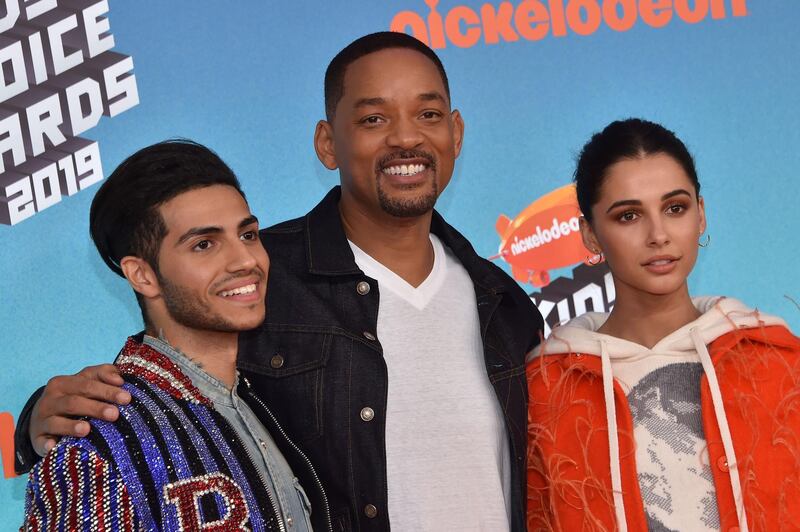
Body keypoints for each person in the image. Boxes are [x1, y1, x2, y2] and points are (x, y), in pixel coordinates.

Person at [15, 33, 543, 530]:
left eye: (427, 114)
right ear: (327, 143)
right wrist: (40, 420)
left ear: (455, 133)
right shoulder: (265, 278)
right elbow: (165, 392)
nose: (406, 137)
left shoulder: (503, 302)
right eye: (374, 118)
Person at [22, 140, 316, 531]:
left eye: (247, 235)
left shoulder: (272, 395)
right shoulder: (99, 443)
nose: (246, 260)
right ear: (142, 275)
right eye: (204, 245)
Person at [526, 118, 800, 531]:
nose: (659, 235)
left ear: (701, 215)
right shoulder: (546, 388)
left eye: (675, 208)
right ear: (590, 235)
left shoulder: (778, 363)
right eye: (628, 216)